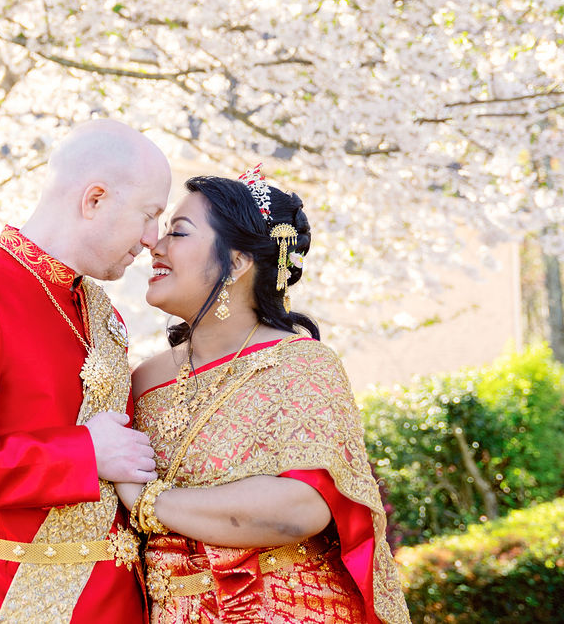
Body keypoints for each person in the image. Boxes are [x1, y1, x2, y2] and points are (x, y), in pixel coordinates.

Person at [0, 119, 173, 623]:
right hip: (8, 601)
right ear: (95, 199)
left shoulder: (99, 308)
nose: (154, 239)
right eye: (149, 215)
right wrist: (85, 452)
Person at [118, 169, 410, 623]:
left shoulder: (300, 364)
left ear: (236, 263)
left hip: (286, 609)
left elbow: (301, 507)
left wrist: (149, 502)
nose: (154, 246)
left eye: (178, 232)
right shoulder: (144, 379)